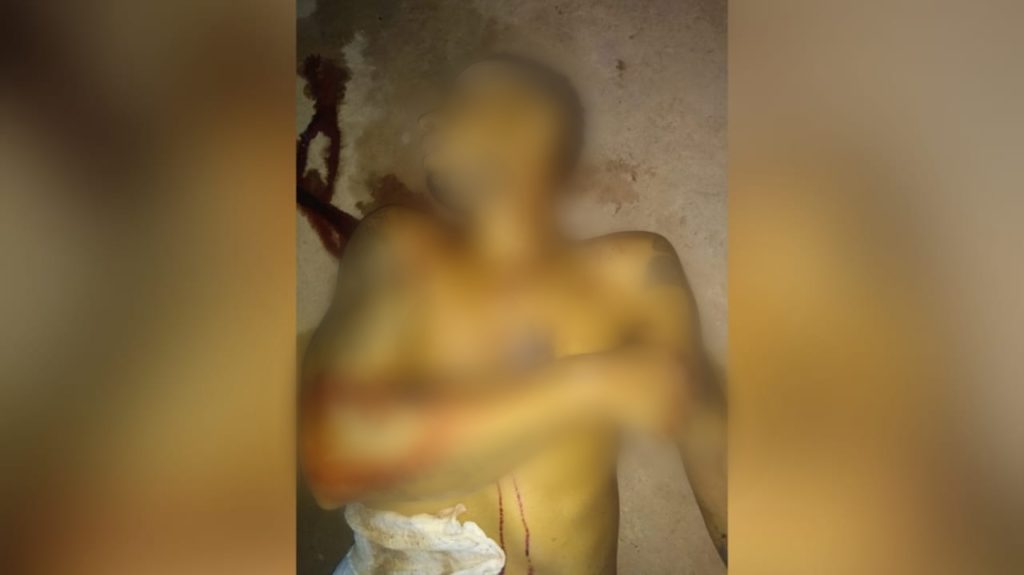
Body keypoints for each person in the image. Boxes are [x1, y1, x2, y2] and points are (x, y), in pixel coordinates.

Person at [301, 54, 727, 575]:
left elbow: (713, 452)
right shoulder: (397, 247)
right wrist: (590, 384)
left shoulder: (638, 270)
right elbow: (334, 460)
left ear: (536, 127)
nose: (428, 122)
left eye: (463, 103)